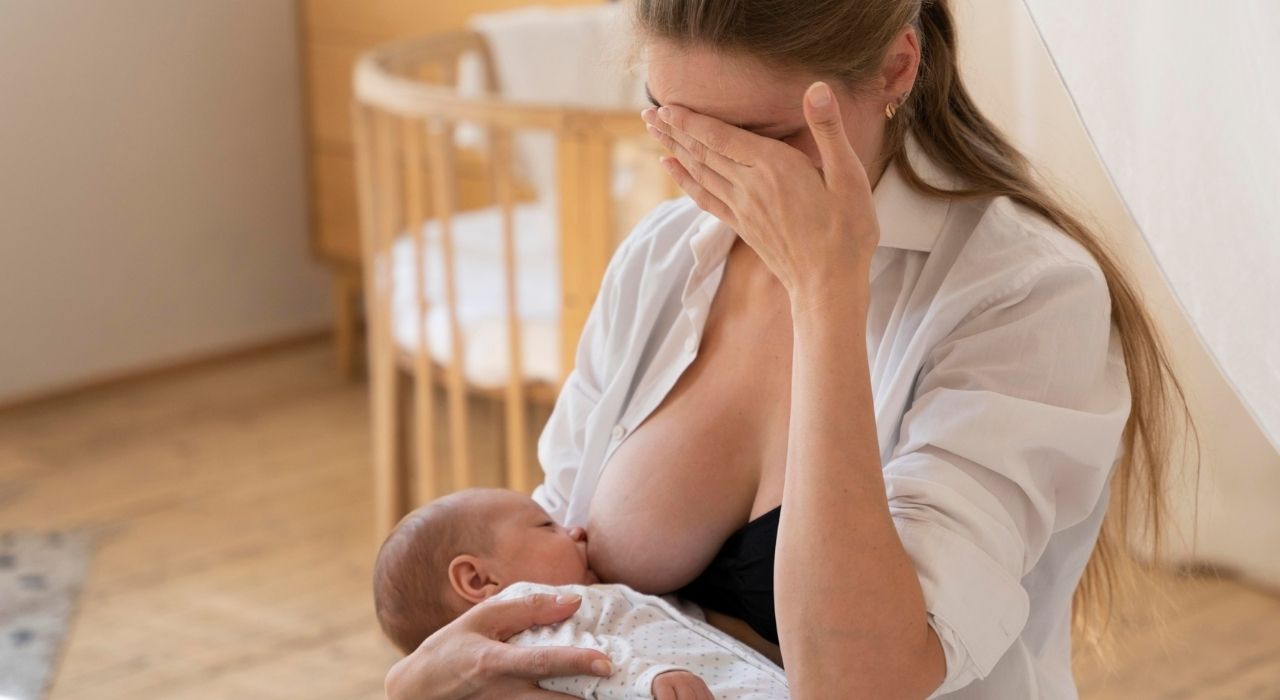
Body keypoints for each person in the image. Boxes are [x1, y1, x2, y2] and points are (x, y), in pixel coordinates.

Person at [384, 0, 1194, 698]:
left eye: (758, 138)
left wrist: (826, 294)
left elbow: (860, 684)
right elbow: (550, 603)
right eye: (672, 118)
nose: (710, 173)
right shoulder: (666, 255)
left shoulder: (1025, 296)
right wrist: (416, 681)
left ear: (895, 68)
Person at [372, 488, 789, 699]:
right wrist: (647, 681)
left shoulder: (575, 602)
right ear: (480, 582)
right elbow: (582, 661)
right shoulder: (522, 623)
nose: (575, 529)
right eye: (546, 526)